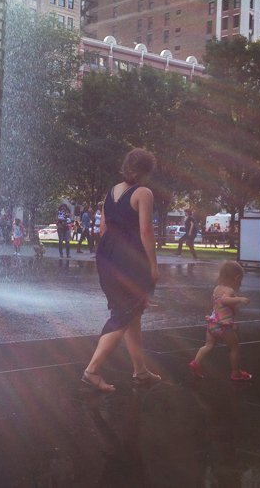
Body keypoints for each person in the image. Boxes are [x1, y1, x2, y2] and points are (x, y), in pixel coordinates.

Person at [81, 148, 160, 392]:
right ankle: (91, 371)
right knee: (123, 313)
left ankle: (140, 370)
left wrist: (108, 257)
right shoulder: (143, 192)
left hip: (107, 255)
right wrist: (154, 266)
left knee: (131, 312)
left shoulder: (111, 192)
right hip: (130, 259)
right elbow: (146, 232)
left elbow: (103, 229)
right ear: (148, 170)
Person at [189, 260, 252, 381]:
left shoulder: (217, 288)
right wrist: (239, 299)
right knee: (235, 348)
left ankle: (196, 363)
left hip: (212, 324)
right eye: (240, 280)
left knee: (208, 346)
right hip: (223, 327)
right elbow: (224, 300)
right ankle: (236, 373)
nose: (240, 284)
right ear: (236, 277)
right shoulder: (229, 291)